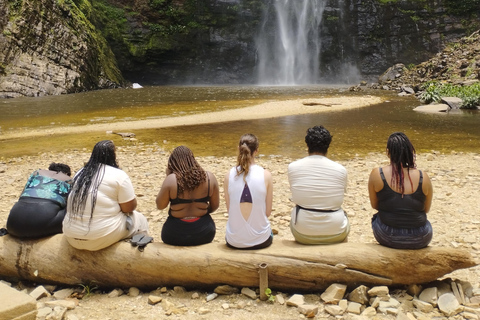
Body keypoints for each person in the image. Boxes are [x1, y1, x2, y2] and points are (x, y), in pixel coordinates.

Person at [63, 140, 150, 251]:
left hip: (71, 237)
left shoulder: (80, 173)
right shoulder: (119, 175)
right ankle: (140, 251)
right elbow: (129, 208)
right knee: (140, 218)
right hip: (99, 239)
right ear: (112, 156)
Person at [368, 132, 433, 249]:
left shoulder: (377, 174)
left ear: (388, 152)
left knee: (376, 218)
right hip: (420, 237)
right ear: (409, 152)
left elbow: (375, 205)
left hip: (387, 235)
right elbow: (426, 209)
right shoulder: (423, 176)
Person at [288, 125, 349, 244]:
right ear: (328, 145)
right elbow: (340, 197)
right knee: (344, 218)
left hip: (303, 232)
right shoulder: (341, 170)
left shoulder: (293, 167)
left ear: (307, 144)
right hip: (336, 232)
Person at [156, 146, 220, 246]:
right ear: (193, 160)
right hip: (204, 232)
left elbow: (160, 205)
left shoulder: (171, 180)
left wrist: (167, 177)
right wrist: (200, 212)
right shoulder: (209, 178)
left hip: (175, 234)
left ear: (173, 164)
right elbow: (215, 206)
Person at [224, 134, 273, 249]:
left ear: (238, 149)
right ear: (256, 151)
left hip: (234, 241)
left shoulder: (228, 176)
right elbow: (268, 212)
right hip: (261, 241)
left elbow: (230, 210)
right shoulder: (266, 175)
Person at [6, 163, 72, 238]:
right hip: (40, 225)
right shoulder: (69, 180)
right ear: (67, 173)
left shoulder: (36, 173)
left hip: (13, 226)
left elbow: (21, 195)